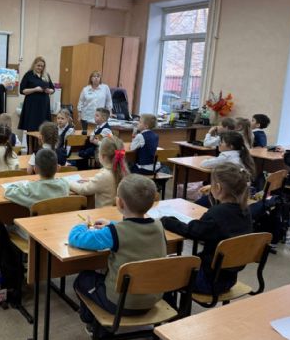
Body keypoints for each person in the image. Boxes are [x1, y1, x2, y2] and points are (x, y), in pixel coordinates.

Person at [70, 174, 166, 327]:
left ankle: (92, 324)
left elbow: (76, 238)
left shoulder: (114, 233)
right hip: (153, 298)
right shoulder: (159, 226)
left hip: (119, 302)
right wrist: (112, 224)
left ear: (119, 203)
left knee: (83, 278)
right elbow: (134, 229)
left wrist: (82, 224)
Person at [162, 163, 253, 294]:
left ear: (218, 188)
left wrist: (168, 221)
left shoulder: (216, 214)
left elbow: (192, 231)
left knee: (164, 271)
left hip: (207, 281)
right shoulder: (245, 211)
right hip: (229, 279)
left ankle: (172, 304)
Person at [70, 136, 127, 208]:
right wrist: (91, 179)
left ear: (102, 156)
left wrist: (68, 183)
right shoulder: (123, 170)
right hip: (116, 211)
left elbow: (83, 190)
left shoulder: (104, 175)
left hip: (103, 212)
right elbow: (104, 182)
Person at [4, 148, 69, 209]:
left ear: (35, 169)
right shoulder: (64, 184)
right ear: (58, 168)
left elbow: (8, 192)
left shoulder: (31, 189)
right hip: (59, 217)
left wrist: (20, 184)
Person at [18, 56, 55, 132]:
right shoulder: (28, 75)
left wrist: (49, 91)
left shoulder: (46, 75)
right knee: (32, 127)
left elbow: (53, 89)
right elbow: (22, 90)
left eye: (42, 66)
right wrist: (35, 89)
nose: (40, 68)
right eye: (38, 65)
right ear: (34, 64)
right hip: (32, 106)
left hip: (44, 105)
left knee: (44, 128)